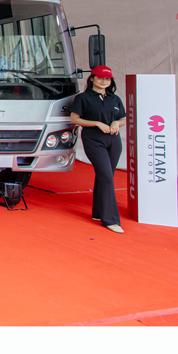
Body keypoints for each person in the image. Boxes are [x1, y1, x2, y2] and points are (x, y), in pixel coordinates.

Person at [70, 65, 127, 233]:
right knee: (106, 177)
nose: (104, 81)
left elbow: (123, 118)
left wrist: (116, 123)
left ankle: (98, 212)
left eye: (107, 78)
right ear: (92, 78)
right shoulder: (83, 98)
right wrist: (96, 123)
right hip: (94, 140)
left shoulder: (114, 99)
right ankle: (111, 219)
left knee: (105, 176)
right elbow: (75, 119)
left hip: (114, 141)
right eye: (100, 78)